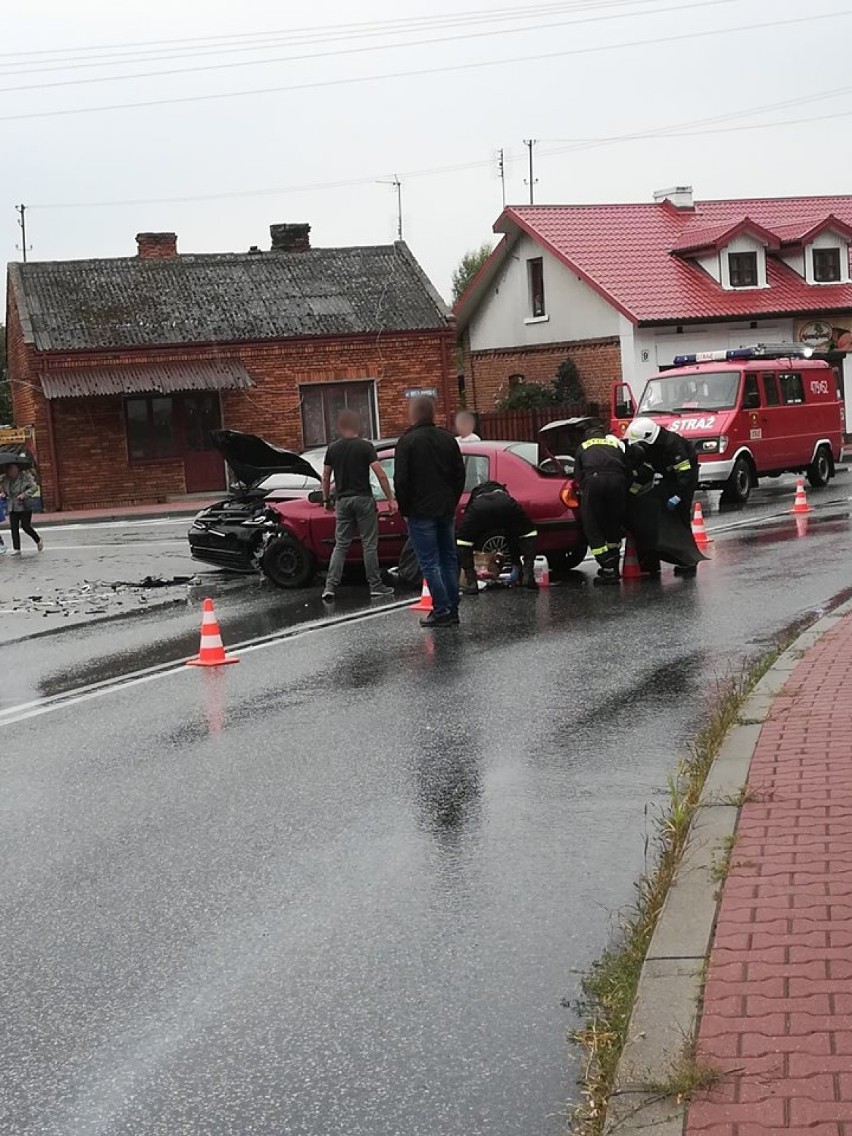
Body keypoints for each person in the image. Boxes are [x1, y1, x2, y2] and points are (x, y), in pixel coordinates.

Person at [394, 396, 466, 628]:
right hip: (445, 509)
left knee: (430, 561)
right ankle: (452, 607)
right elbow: (459, 474)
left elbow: (401, 480)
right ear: (432, 414)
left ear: (414, 414)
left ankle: (442, 609)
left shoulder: (407, 442)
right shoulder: (448, 440)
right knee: (449, 558)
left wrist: (405, 509)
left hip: (420, 511)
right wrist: (452, 500)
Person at [320, 410, 395, 602]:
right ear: (357, 426)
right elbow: (380, 473)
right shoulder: (365, 447)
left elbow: (326, 475)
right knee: (369, 544)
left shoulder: (333, 448)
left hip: (342, 501)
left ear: (340, 427)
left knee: (341, 544)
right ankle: (376, 585)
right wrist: (390, 498)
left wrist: (326, 499)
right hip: (363, 499)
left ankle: (330, 586)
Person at [625, 418, 700, 577]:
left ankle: (688, 561)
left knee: (680, 517)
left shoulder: (673, 445)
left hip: (685, 478)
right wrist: (631, 494)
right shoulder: (650, 447)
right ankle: (651, 560)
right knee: (652, 510)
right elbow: (645, 474)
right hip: (669, 477)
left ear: (648, 437)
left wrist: (678, 497)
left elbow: (685, 475)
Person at [456, 481, 539, 593]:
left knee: (463, 542)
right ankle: (527, 574)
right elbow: (512, 534)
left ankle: (472, 583)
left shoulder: (476, 494)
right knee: (528, 533)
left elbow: (467, 530)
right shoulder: (504, 494)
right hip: (504, 504)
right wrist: (516, 562)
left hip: (480, 507)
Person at [573, 425, 630, 585]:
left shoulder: (583, 447)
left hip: (594, 482)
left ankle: (607, 566)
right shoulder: (614, 445)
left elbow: (577, 477)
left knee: (592, 523)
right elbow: (627, 469)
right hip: (618, 482)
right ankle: (614, 564)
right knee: (614, 521)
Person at [0, 463, 43, 555]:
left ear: (17, 469)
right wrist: (3, 494)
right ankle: (17, 548)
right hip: (12, 505)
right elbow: (4, 491)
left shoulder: (25, 477)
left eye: (13, 469)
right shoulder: (5, 479)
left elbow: (34, 487)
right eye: (10, 470)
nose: (12, 472)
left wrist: (24, 494)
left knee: (26, 526)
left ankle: (38, 539)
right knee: (14, 528)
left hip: (24, 505)